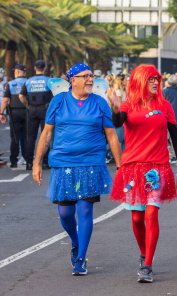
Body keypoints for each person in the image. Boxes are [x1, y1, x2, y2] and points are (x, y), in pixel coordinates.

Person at [32, 63, 121, 276]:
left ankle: (81, 257)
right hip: (63, 163)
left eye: (91, 75)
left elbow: (111, 135)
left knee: (85, 210)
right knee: (65, 213)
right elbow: (46, 134)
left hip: (91, 163)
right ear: (73, 80)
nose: (90, 79)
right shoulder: (59, 101)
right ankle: (74, 240)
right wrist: (36, 163)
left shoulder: (100, 103)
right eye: (85, 76)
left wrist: (120, 166)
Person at [110, 64, 177, 283]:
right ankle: (144, 253)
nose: (155, 82)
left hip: (156, 168)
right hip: (133, 168)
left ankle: (148, 265)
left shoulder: (164, 106)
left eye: (157, 79)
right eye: (151, 79)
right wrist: (115, 108)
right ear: (139, 81)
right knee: (136, 218)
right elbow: (117, 122)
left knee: (151, 213)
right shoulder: (127, 106)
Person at [19, 60, 53, 170]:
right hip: (45, 109)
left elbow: (21, 96)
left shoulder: (28, 81)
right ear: (45, 67)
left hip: (32, 110)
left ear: (35, 68)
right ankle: (45, 162)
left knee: (31, 137)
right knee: (46, 135)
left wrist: (27, 105)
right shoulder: (48, 81)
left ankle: (29, 163)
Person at [0, 64, 27, 167]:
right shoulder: (28, 82)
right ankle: (28, 159)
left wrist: (1, 113)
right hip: (26, 112)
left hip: (14, 113)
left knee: (15, 137)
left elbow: (6, 100)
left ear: (17, 72)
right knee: (26, 137)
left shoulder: (10, 84)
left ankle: (14, 161)